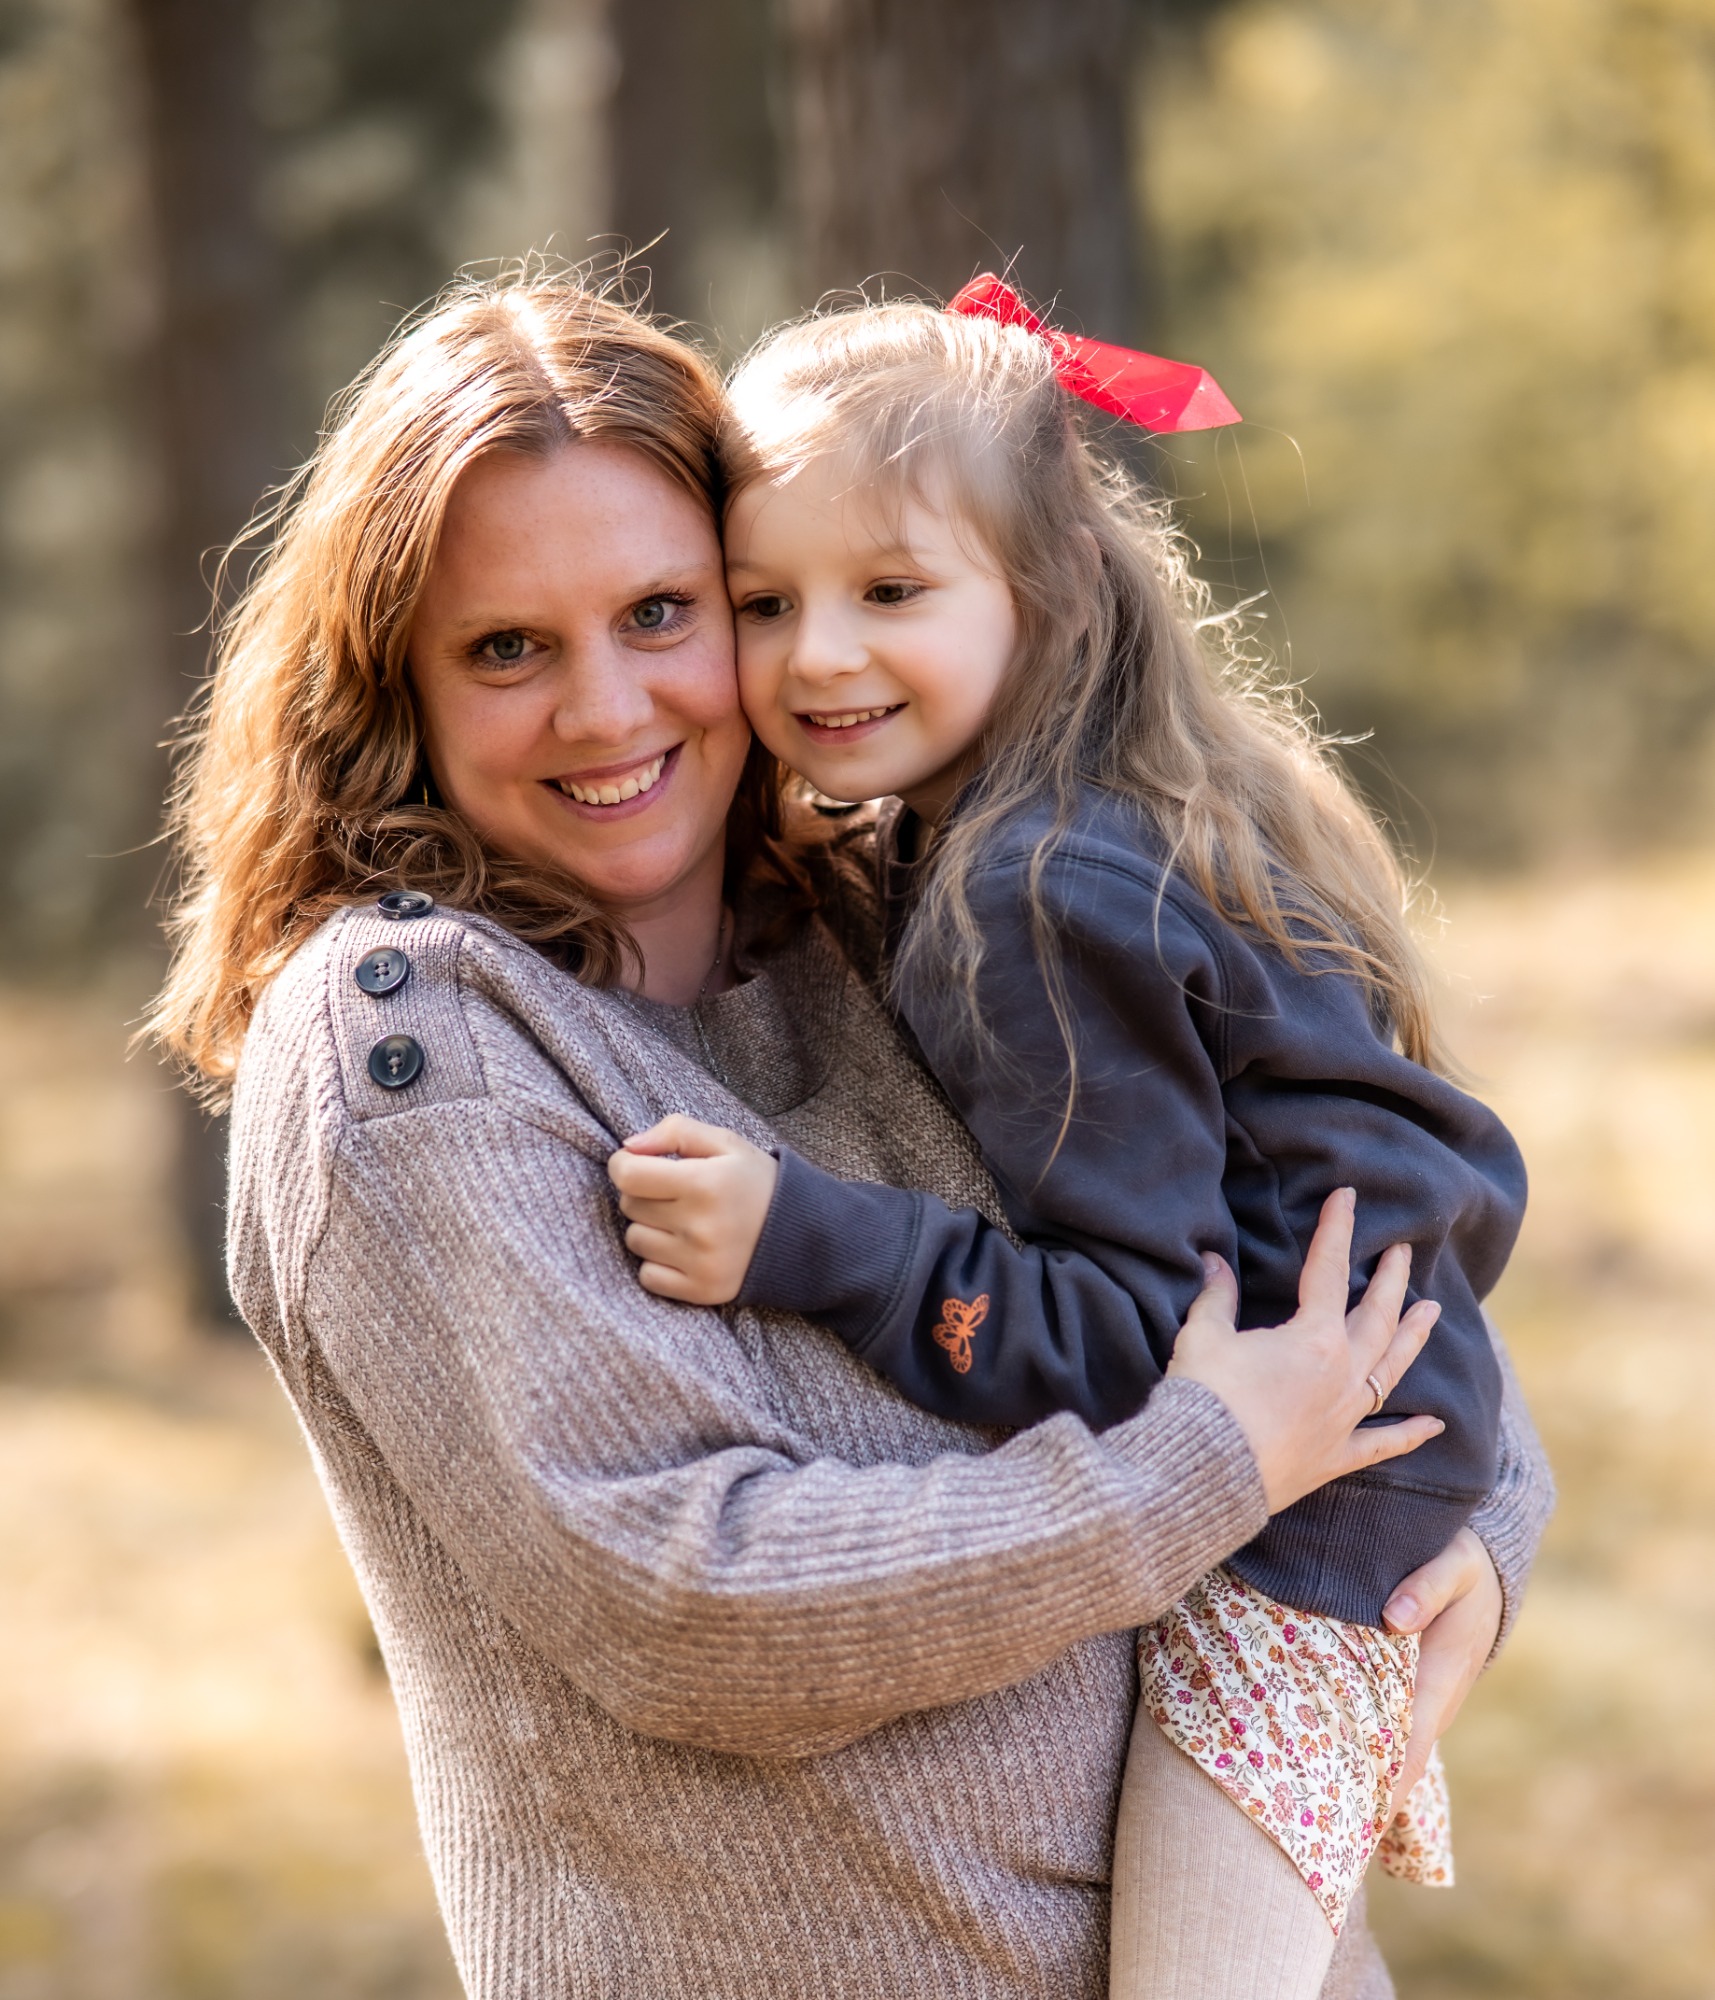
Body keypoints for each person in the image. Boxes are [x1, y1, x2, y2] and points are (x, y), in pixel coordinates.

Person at [148, 271, 1552, 2000]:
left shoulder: (897, 906)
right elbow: (688, 1600)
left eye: (664, 611)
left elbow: (1330, 1234)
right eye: (507, 647)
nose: (607, 708)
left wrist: (1473, 1538)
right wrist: (1205, 1471)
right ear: (394, 686)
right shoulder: (411, 1049)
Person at [605, 284, 1532, 1998]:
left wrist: (811, 1237)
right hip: (1342, 1475)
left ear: (1041, 595)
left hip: (1299, 1531)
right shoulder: (1066, 818)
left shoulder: (1034, 894)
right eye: (764, 600)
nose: (817, 654)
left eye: (890, 591)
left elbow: (1138, 1332)